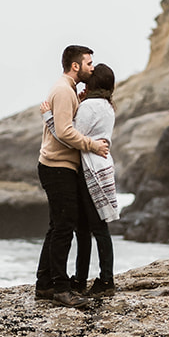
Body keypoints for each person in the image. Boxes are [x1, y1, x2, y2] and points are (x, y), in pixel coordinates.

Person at [35, 45, 109, 307]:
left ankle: (44, 284)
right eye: (88, 63)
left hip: (57, 166)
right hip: (58, 167)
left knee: (57, 226)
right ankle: (61, 289)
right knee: (64, 228)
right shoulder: (65, 91)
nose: (92, 67)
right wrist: (93, 145)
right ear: (75, 66)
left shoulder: (68, 90)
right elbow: (66, 132)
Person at [72, 63, 119, 294]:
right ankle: (94, 278)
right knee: (95, 227)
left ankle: (101, 280)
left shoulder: (90, 106)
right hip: (102, 166)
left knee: (88, 228)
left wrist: (50, 117)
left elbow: (70, 134)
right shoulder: (107, 106)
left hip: (89, 169)